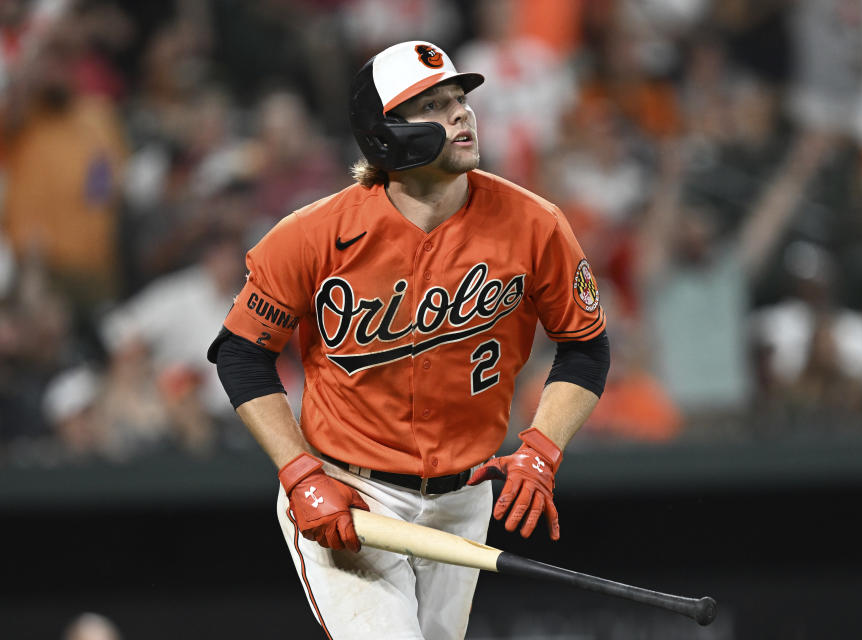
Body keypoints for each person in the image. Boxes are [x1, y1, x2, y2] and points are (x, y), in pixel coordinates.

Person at [207, 41, 610, 639]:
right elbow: (243, 356)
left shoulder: (535, 224)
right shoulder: (311, 236)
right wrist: (300, 475)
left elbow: (585, 346)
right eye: (433, 105)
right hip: (354, 496)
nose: (460, 114)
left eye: (459, 99)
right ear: (383, 136)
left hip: (464, 500)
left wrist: (542, 449)